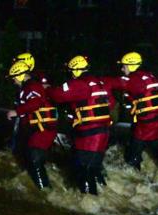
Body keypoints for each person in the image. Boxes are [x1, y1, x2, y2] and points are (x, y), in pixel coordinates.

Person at [103, 51, 158, 185]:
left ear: (131, 66)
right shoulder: (151, 77)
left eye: (124, 66)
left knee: (132, 156)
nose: (122, 69)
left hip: (145, 125)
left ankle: (132, 185)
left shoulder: (132, 80)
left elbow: (109, 83)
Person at [47, 55, 112, 195]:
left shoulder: (79, 83)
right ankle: (104, 194)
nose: (70, 74)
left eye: (71, 71)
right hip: (101, 132)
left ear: (76, 70)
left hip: (90, 135)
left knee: (84, 170)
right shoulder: (97, 82)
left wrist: (47, 89)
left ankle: (89, 203)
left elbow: (58, 95)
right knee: (93, 168)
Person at [6, 61, 58, 190]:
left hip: (42, 130)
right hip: (37, 130)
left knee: (34, 159)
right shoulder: (28, 88)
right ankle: (43, 187)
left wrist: (16, 112)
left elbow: (35, 104)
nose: (13, 82)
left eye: (14, 78)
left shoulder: (32, 87)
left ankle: (44, 190)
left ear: (20, 75)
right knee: (32, 158)